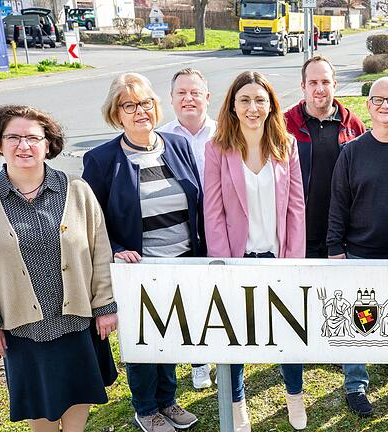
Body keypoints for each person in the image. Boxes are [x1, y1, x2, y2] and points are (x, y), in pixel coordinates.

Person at [0, 105, 118, 432]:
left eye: (33, 138)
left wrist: (105, 306)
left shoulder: (76, 190)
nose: (24, 146)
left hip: (78, 320)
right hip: (22, 328)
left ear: (48, 144)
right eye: (14, 137)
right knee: (40, 406)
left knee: (80, 392)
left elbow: (100, 251)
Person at [82, 73, 204, 432]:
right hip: (138, 268)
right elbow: (92, 220)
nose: (140, 112)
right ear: (116, 113)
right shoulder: (102, 160)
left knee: (171, 335)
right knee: (143, 339)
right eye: (130, 105)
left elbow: (194, 201)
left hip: (181, 262)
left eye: (146, 103)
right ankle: (146, 407)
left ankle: (168, 399)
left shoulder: (176, 145)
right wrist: (117, 249)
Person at [204, 71, 307, 432]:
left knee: (289, 331)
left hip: (278, 257)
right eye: (245, 100)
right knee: (234, 335)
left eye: (259, 100)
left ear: (270, 105)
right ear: (233, 105)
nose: (252, 107)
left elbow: (296, 208)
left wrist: (293, 262)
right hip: (237, 258)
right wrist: (224, 263)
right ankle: (236, 401)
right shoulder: (217, 148)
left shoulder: (286, 145)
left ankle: (294, 394)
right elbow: (213, 211)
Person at [327, 76, 388, 417]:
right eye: (378, 100)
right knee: (358, 320)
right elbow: (338, 202)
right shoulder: (352, 151)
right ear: (367, 106)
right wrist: (334, 247)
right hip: (360, 249)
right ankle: (355, 382)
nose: (385, 106)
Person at [156, 67, 216, 390]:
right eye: (182, 93)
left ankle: (222, 353)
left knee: (216, 296)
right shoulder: (161, 140)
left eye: (195, 92)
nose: (188, 98)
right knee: (186, 300)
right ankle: (198, 360)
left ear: (207, 97)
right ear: (172, 99)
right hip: (180, 231)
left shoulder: (222, 135)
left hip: (217, 229)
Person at [284, 55, 365, 259]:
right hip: (299, 236)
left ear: (335, 85)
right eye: (313, 83)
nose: (319, 89)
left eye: (325, 82)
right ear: (303, 86)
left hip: (342, 238)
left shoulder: (353, 125)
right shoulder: (284, 125)